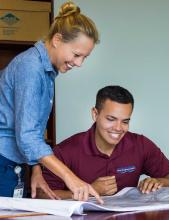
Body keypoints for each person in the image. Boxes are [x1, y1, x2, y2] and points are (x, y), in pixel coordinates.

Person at [0, 1, 103, 203]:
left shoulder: (45, 71)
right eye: (76, 54)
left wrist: (36, 169)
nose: (79, 63)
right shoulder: (30, 68)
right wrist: (70, 177)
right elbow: (27, 136)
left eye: (85, 57)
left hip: (14, 164)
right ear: (57, 40)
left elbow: (30, 127)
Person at [38, 85, 169, 199]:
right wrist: (90, 191)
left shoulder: (141, 145)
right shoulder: (65, 150)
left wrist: (160, 182)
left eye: (125, 121)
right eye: (111, 119)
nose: (118, 128)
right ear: (95, 114)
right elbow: (42, 195)